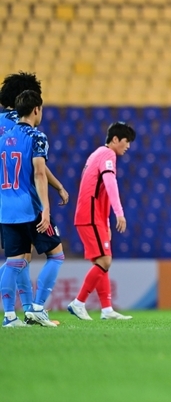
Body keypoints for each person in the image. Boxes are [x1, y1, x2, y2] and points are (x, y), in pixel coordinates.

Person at [0, 73, 69, 320]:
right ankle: (33, 308)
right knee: (28, 258)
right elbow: (37, 168)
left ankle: (16, 314)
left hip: (5, 201)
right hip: (27, 202)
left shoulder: (2, 132)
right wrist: (55, 191)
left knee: (17, 259)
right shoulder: (29, 131)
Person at [67, 122, 135, 321]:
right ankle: (78, 302)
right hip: (90, 214)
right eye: (126, 141)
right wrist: (118, 213)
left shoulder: (96, 154)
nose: (128, 146)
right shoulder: (108, 155)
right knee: (105, 261)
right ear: (115, 139)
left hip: (93, 215)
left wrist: (105, 220)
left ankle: (106, 310)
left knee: (102, 262)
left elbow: (94, 188)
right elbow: (109, 182)